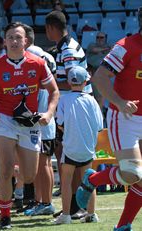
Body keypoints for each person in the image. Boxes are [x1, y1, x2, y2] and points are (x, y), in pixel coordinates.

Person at [0, 22, 59, 229]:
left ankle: (16, 168)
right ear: (4, 41)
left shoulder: (38, 63)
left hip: (29, 123)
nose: (14, 41)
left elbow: (54, 91)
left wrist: (48, 113)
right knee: (4, 171)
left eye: (18, 37)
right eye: (10, 37)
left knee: (29, 175)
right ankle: (5, 217)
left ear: (26, 41)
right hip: (4, 121)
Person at [76, 8, 142, 231]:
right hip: (124, 117)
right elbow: (100, 78)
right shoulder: (126, 46)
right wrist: (121, 102)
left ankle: (123, 226)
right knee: (132, 174)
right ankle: (93, 179)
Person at [45, 10, 92, 219]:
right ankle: (74, 206)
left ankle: (76, 206)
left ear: (50, 28)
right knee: (69, 159)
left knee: (70, 160)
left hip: (74, 109)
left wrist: (48, 84)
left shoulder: (68, 49)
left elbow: (75, 81)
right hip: (73, 108)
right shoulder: (65, 46)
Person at [55, 66, 103, 224]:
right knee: (90, 181)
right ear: (86, 81)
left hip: (70, 146)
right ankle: (91, 214)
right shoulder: (92, 100)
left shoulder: (64, 99)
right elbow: (99, 126)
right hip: (88, 148)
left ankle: (66, 215)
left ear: (69, 82)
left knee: (66, 181)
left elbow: (60, 123)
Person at [22, 25, 57, 217]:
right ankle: (42, 201)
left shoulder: (30, 57)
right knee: (43, 163)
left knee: (42, 163)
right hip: (46, 117)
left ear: (26, 39)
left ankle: (46, 202)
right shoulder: (48, 56)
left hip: (38, 117)